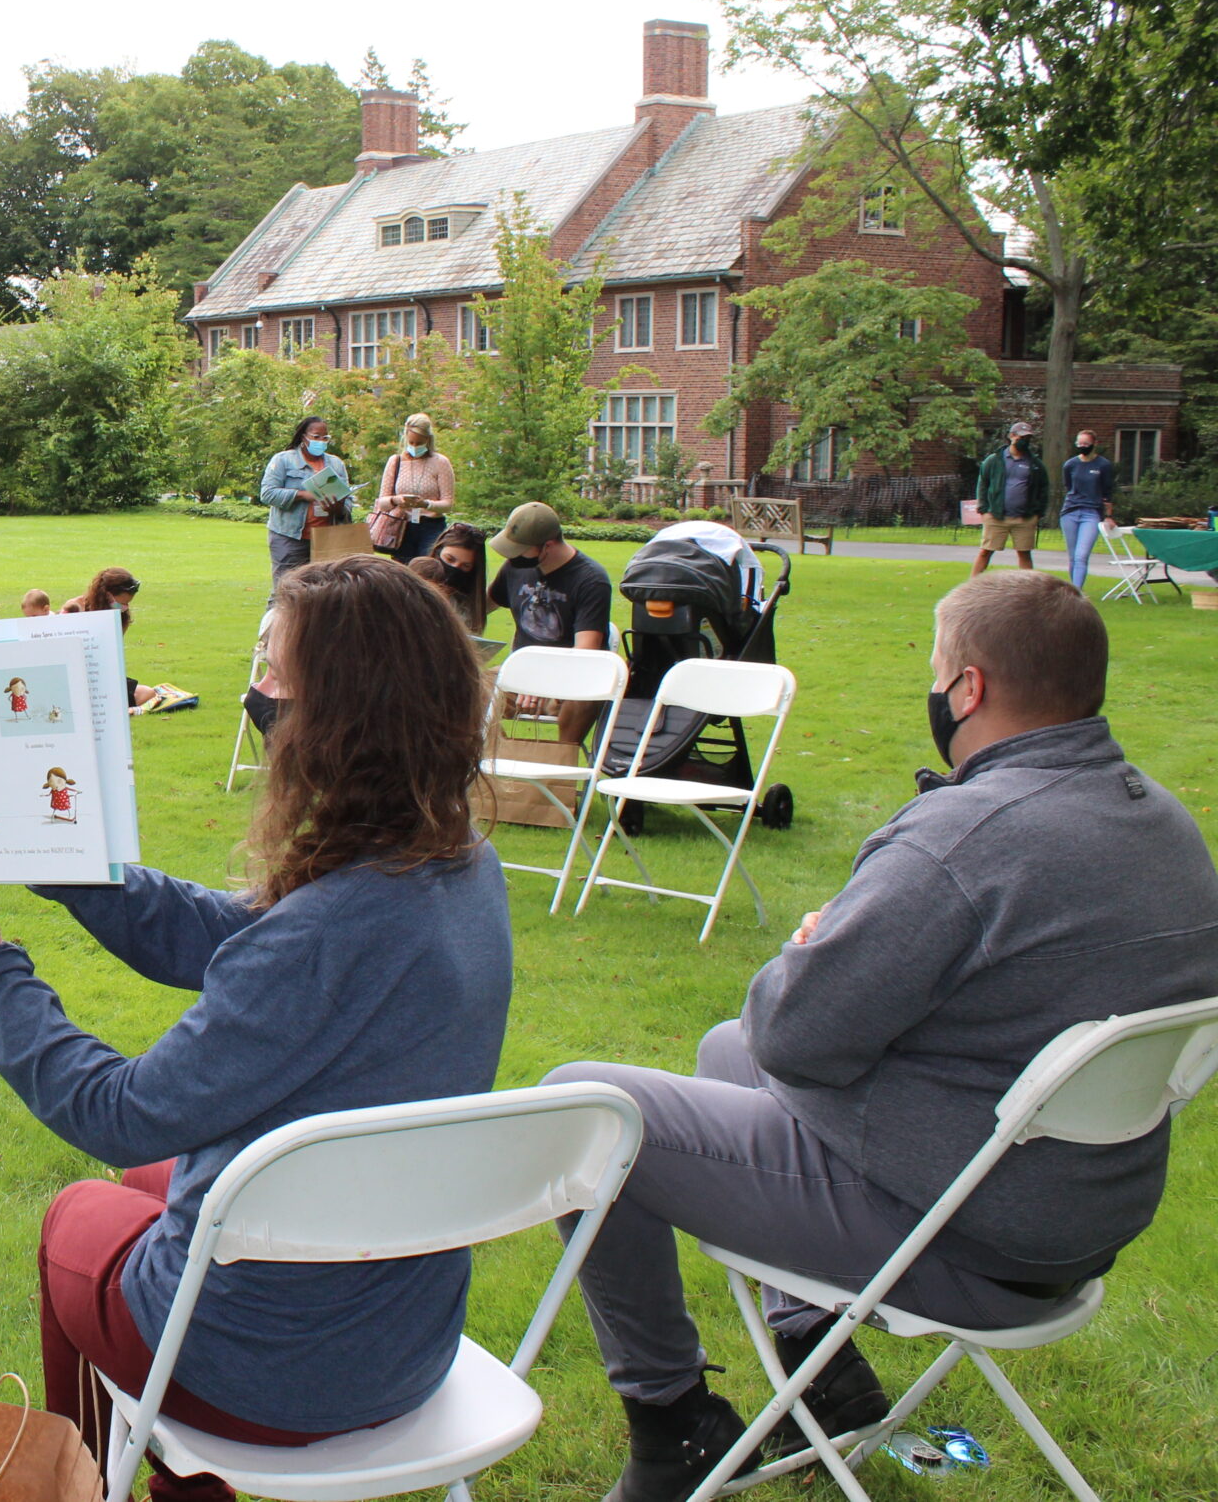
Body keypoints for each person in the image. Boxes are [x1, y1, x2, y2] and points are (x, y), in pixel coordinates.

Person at [546, 571, 1218, 1501]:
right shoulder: (1166, 824)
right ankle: (822, 1365)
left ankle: (675, 1424)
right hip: (1076, 1211)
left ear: (969, 689)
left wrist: (809, 947)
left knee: (584, 1107)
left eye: (939, 669)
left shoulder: (963, 837)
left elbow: (793, 1032)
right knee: (719, 1050)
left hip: (964, 1231)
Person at [0, 556, 510, 1502]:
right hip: (405, 1338)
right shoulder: (460, 863)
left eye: (276, 672)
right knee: (158, 1190)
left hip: (273, 1374)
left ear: (341, 716)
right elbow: (241, 934)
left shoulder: (325, 933)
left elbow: (120, 1111)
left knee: (79, 1214)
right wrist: (62, 860)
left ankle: (145, 1483)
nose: (257, 692)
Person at [488, 503, 612, 744]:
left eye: (521, 550)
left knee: (583, 698)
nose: (512, 556)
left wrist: (541, 680)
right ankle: (499, 757)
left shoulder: (591, 579)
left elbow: (585, 652)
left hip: (571, 679)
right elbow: (481, 608)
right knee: (469, 688)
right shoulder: (514, 568)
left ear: (549, 545)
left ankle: (559, 771)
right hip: (521, 674)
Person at [64, 569, 198, 715]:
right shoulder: (75, 608)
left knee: (147, 693)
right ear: (107, 595)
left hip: (102, 674)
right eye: (121, 604)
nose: (124, 609)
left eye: (127, 605)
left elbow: (111, 656)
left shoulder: (121, 618)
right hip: (73, 674)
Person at [258, 417, 351, 584]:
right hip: (290, 536)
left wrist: (338, 507)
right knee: (285, 589)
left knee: (324, 590)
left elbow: (347, 500)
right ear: (303, 437)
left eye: (325, 438)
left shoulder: (336, 464)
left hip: (326, 538)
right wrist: (302, 495)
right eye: (316, 437)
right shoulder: (283, 460)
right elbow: (267, 494)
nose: (321, 441)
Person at [372, 413, 457, 561]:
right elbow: (383, 502)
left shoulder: (440, 462)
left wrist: (426, 504)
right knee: (403, 573)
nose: (415, 447)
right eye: (411, 442)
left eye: (419, 443)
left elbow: (448, 504)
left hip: (431, 526)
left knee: (428, 569)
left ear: (428, 439)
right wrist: (396, 500)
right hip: (401, 526)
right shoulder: (395, 461)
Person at [973, 420, 1049, 576]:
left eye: (1028, 438)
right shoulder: (994, 460)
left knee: (1024, 553)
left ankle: (1027, 590)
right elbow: (983, 484)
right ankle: (971, 586)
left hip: (1024, 518)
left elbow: (1043, 489)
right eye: (1021, 437)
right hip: (996, 516)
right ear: (1011, 436)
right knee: (985, 552)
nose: (1025, 441)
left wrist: (1037, 513)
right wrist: (984, 509)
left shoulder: (1034, 464)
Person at [1059, 427, 1119, 591]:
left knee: (1081, 555)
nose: (1082, 446)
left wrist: (1108, 515)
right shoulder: (1070, 464)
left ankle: (1077, 592)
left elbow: (1107, 492)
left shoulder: (1103, 465)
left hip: (1091, 513)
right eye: (1080, 443)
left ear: (1094, 444)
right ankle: (1074, 591)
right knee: (1073, 557)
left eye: (1086, 443)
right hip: (1070, 512)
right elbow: (1068, 486)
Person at [429, 522, 490, 635]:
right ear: (438, 551)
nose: (455, 569)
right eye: (450, 559)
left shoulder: (467, 608)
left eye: (465, 566)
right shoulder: (411, 590)